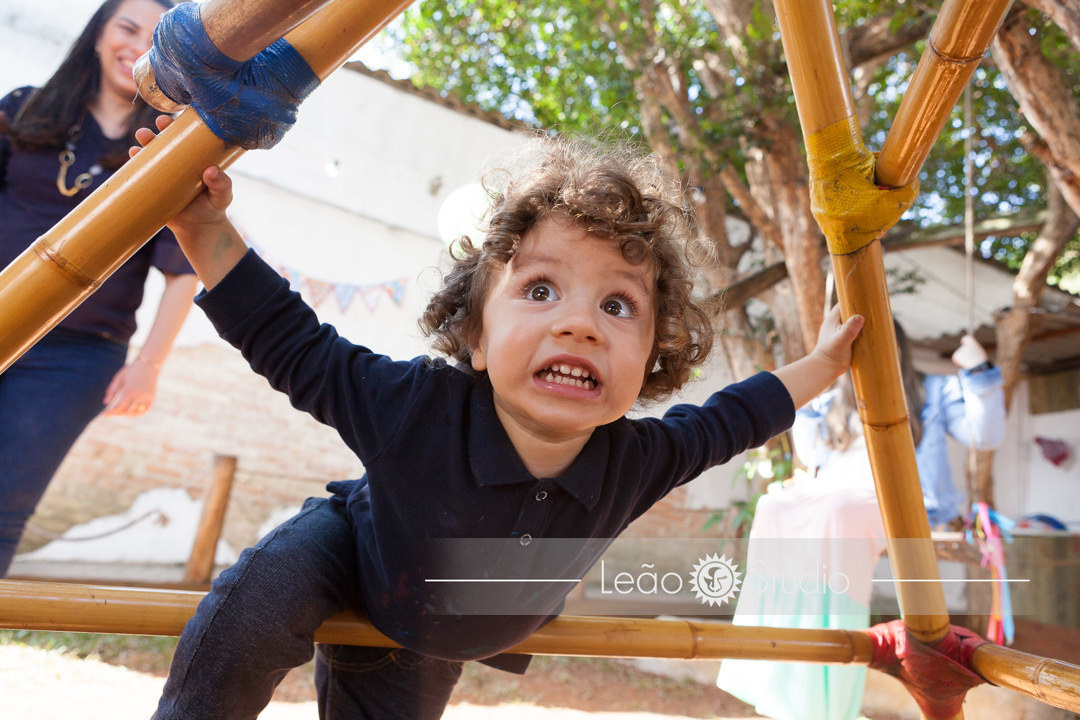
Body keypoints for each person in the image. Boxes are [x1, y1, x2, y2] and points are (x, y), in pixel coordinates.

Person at [132, 117, 864, 719]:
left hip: (429, 635)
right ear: (476, 338)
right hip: (351, 547)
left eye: (618, 306)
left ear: (651, 359)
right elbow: (296, 344)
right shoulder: (415, 407)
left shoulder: (637, 460)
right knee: (258, 605)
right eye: (541, 289)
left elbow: (734, 417)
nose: (580, 324)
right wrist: (202, 232)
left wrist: (826, 365)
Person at [716, 322, 1006, 720]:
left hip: (900, 501)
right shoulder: (838, 397)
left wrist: (979, 371)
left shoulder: (932, 391)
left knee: (839, 514)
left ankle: (827, 687)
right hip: (836, 493)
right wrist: (812, 400)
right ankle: (767, 664)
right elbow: (814, 454)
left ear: (894, 350)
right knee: (772, 506)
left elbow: (985, 435)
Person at [0, 0, 197, 577]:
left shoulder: (164, 147)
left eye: (156, 39)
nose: (136, 45)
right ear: (98, 34)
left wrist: (150, 365)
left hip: (77, 355)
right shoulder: (24, 109)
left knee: (6, 503)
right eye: (126, 27)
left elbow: (182, 270)